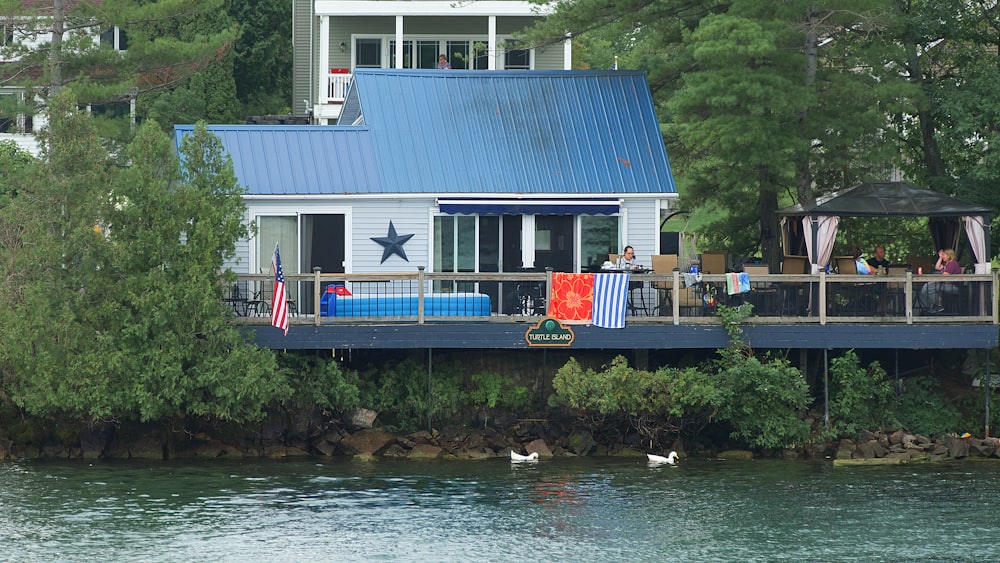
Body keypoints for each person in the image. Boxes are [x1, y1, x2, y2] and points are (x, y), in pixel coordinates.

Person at [918, 248, 961, 314]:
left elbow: (944, 277)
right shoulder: (946, 264)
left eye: (944, 255)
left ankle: (938, 305)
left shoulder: (952, 264)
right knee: (927, 287)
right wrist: (940, 257)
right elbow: (937, 267)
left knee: (928, 287)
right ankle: (935, 306)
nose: (943, 256)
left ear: (949, 255)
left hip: (953, 286)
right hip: (945, 284)